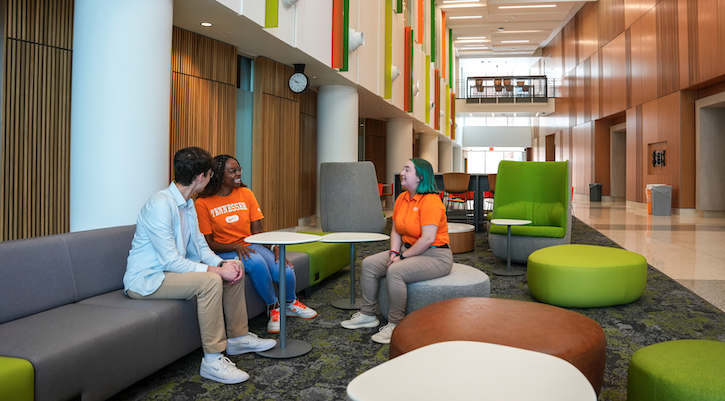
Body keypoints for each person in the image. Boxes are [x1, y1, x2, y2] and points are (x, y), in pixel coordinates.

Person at [124, 147, 276, 385]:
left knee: (234, 264)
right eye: (209, 174)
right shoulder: (160, 205)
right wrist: (216, 271)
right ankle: (213, 359)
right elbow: (169, 261)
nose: (210, 179)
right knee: (211, 280)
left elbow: (200, 248)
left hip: (172, 273)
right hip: (149, 279)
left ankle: (238, 338)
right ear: (200, 177)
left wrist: (222, 263)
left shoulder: (188, 204)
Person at [195, 155, 317, 334]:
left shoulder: (246, 194)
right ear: (219, 175)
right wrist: (235, 247)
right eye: (233, 171)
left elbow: (258, 231)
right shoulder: (202, 203)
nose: (238, 174)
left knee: (284, 268)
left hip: (251, 244)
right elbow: (209, 243)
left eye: (239, 169)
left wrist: (274, 247)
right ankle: (273, 307)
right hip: (225, 250)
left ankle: (290, 303)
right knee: (256, 261)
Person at [341, 158, 453, 344]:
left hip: (435, 255)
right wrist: (394, 253)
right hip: (406, 251)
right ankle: (368, 314)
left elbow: (427, 239)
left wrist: (402, 257)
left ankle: (395, 324)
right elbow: (395, 230)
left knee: (395, 271)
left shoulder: (431, 201)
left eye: (407, 169)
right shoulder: (402, 198)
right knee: (369, 264)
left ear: (419, 177)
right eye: (403, 168)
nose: (402, 172)